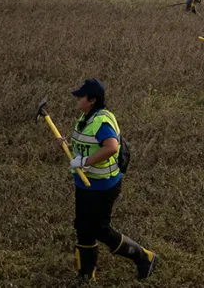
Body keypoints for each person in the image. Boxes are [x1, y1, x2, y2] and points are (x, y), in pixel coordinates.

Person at [65, 79, 157, 281]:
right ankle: (87, 275)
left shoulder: (102, 121)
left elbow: (112, 147)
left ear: (92, 100)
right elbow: (86, 143)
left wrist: (85, 161)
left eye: (81, 97)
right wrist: (64, 145)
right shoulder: (86, 117)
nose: (77, 99)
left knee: (100, 229)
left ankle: (144, 257)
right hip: (84, 183)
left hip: (102, 186)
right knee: (83, 227)